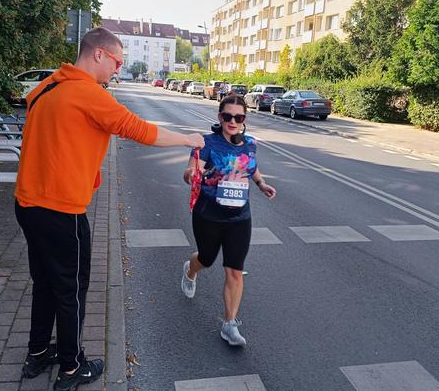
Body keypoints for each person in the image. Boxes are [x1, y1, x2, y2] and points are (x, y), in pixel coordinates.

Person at [14, 27, 204, 391]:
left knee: (45, 282)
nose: (117, 69)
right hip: (60, 208)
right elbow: (139, 129)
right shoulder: (88, 94)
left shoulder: (47, 86)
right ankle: (71, 369)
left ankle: (38, 353)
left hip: (27, 202)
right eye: (117, 61)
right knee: (71, 288)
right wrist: (186, 138)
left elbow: (54, 138)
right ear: (99, 54)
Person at [181, 95, 276, 346]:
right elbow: (190, 171)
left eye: (239, 117)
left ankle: (229, 324)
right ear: (219, 117)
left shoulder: (250, 143)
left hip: (239, 216)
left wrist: (261, 183)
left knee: (234, 270)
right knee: (206, 259)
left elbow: (251, 167)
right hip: (208, 214)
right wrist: (192, 174)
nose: (233, 121)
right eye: (228, 116)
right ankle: (190, 270)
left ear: (245, 119)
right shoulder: (207, 143)